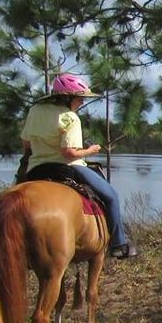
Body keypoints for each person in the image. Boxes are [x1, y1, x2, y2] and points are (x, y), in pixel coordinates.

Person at [20, 73, 139, 259]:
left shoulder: (35, 110)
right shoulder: (70, 118)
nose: (82, 103)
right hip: (68, 167)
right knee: (111, 197)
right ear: (68, 98)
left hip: (36, 168)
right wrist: (90, 150)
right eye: (80, 99)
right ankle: (118, 244)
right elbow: (69, 153)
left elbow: (26, 144)